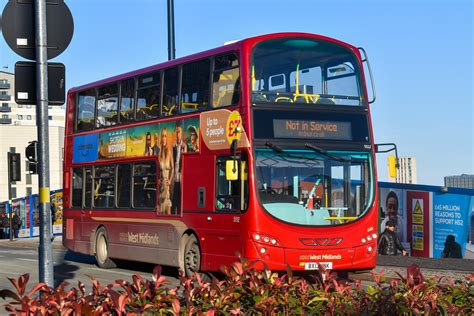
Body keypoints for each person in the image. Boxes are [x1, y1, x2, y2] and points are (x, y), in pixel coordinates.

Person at [158, 128, 174, 215]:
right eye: (162, 136)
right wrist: (158, 180)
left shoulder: (169, 152)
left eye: (165, 136)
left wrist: (170, 180)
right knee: (160, 214)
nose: (164, 138)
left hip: (167, 186)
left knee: (168, 212)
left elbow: (172, 168)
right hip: (161, 187)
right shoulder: (159, 153)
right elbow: (157, 169)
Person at [172, 121, 186, 213]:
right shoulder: (173, 146)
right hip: (174, 177)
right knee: (174, 201)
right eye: (176, 132)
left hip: (180, 177)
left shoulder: (184, 146)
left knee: (180, 201)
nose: (178, 134)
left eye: (179, 132)